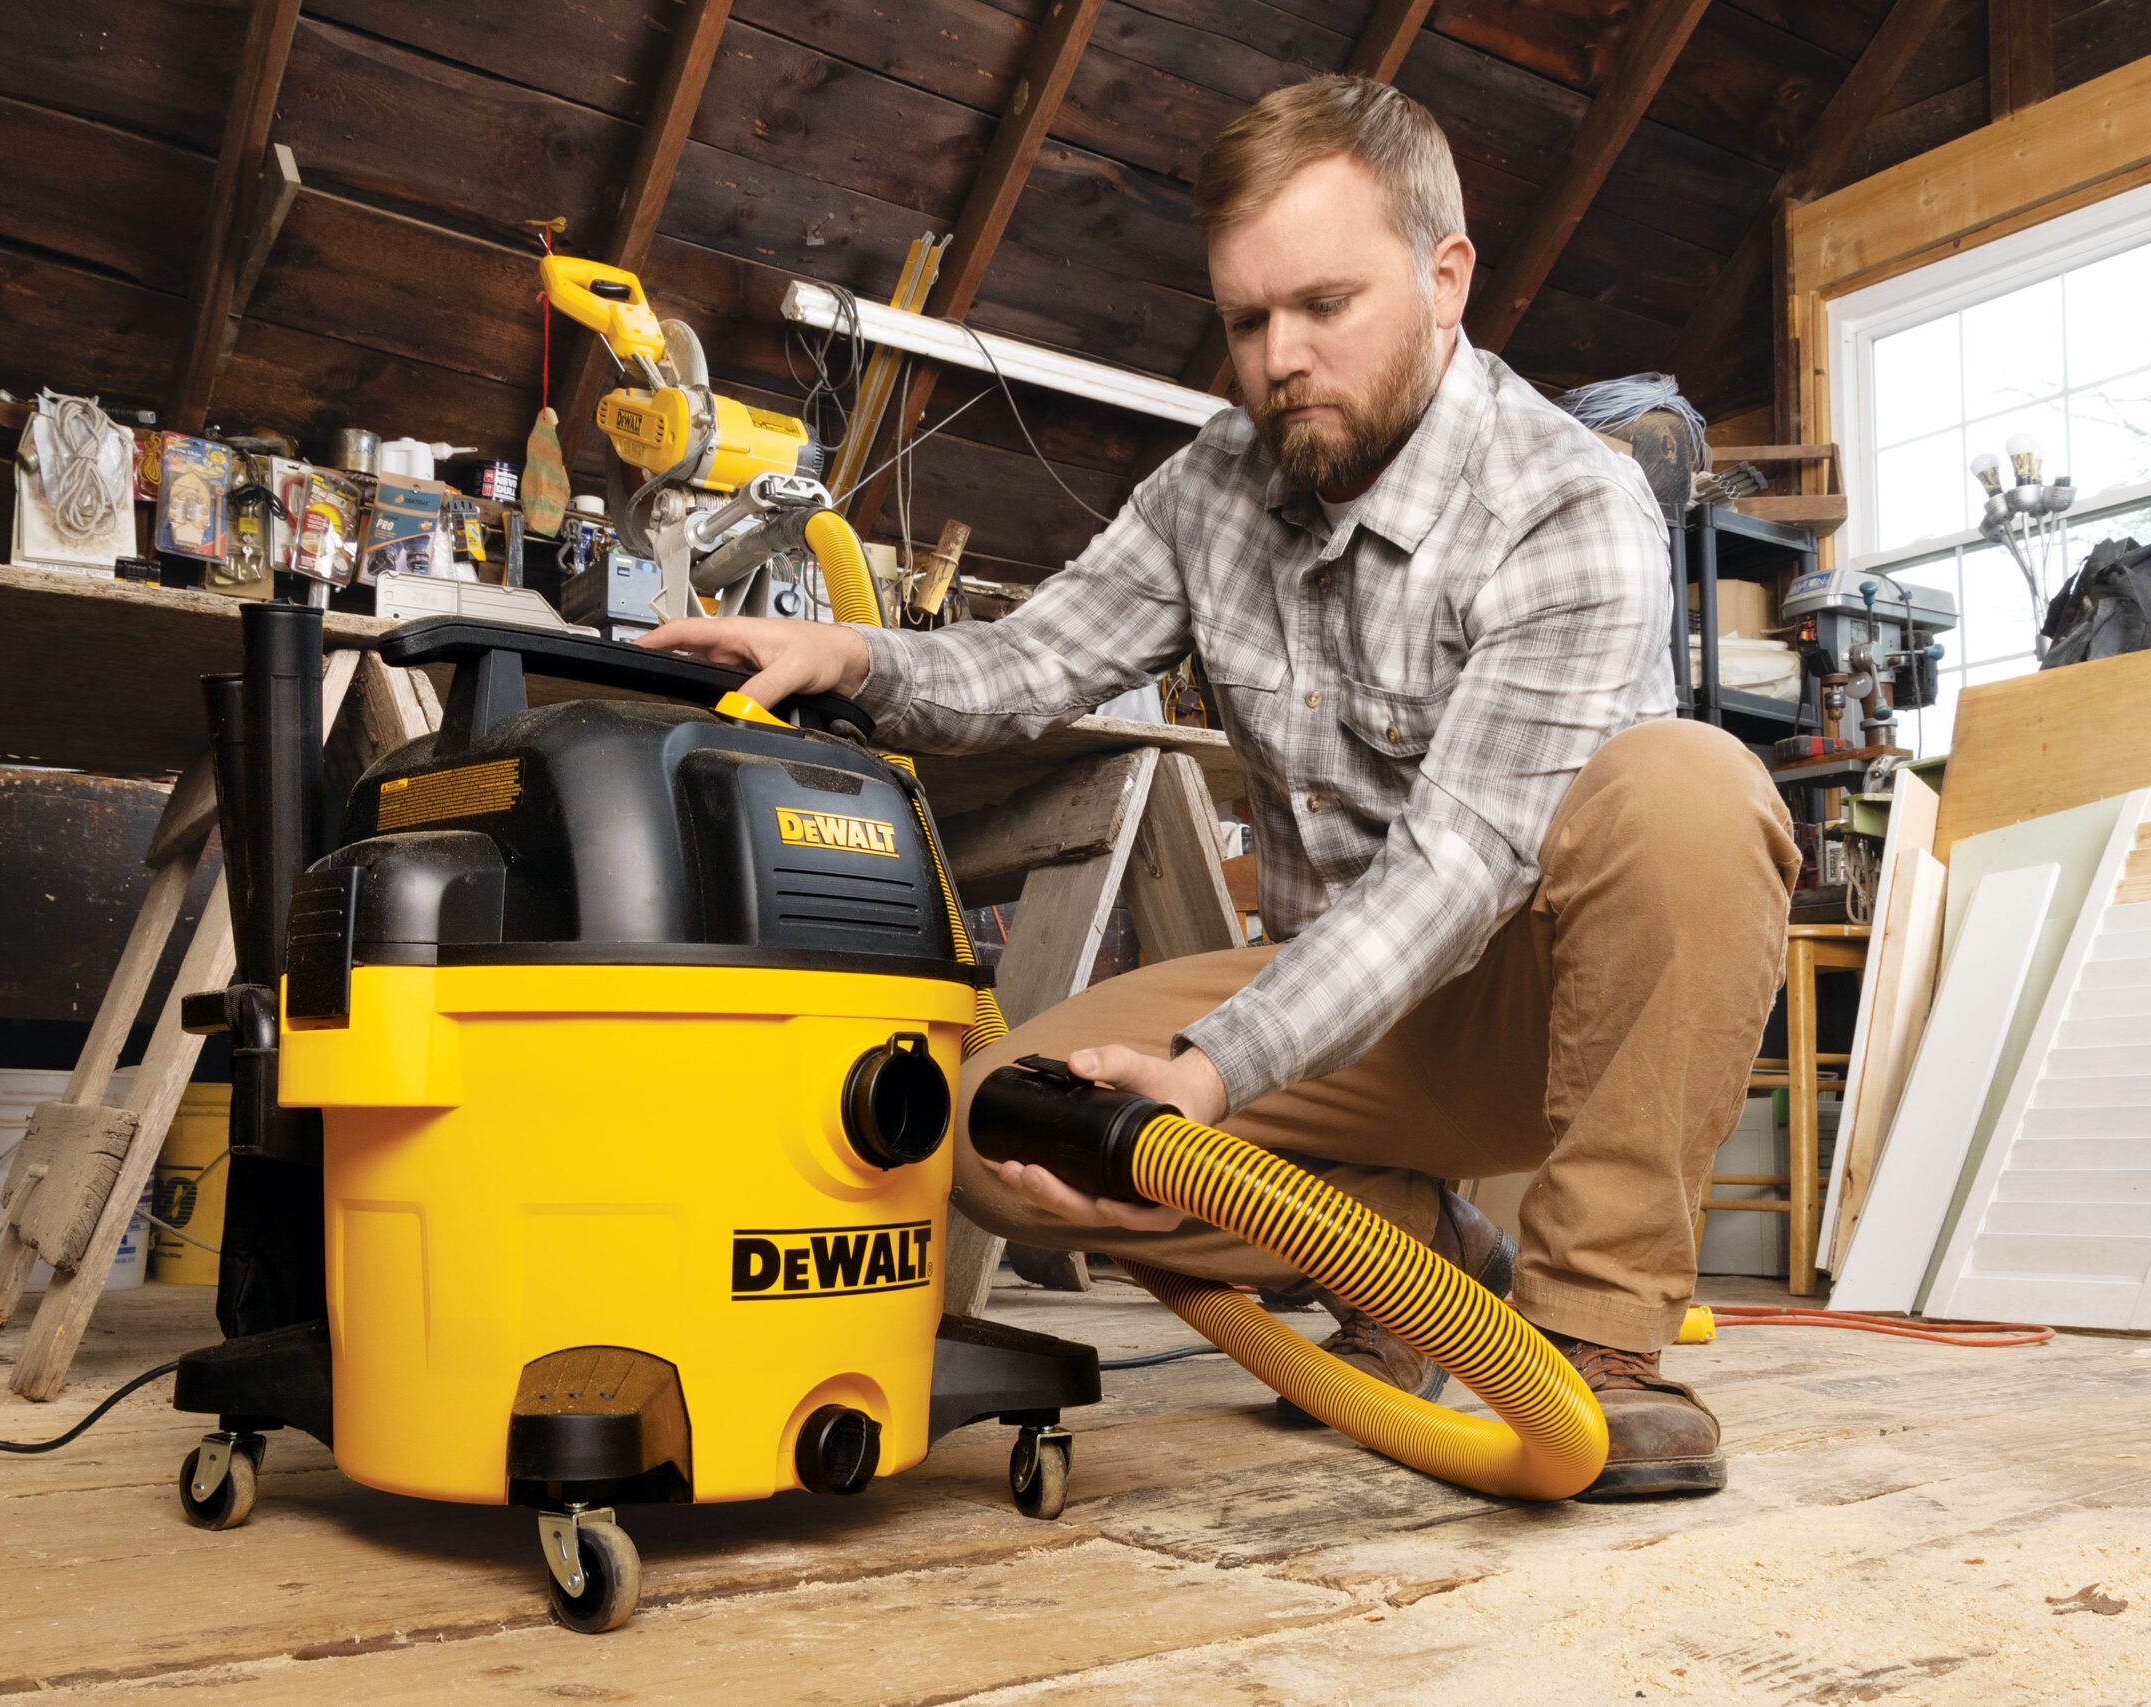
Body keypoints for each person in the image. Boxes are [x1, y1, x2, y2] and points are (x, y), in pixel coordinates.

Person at [641, 74, 1797, 1499]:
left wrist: (1206, 1074)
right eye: (1247, 320)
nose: (1279, 359)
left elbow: (1456, 872)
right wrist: (847, 652)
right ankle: (1420, 1253)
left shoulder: (1563, 500)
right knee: (1002, 1128)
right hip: (1339, 1014)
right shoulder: (1216, 486)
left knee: (1690, 787)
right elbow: (1033, 663)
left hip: (1531, 1009)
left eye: (1324, 305)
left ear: (1445, 281)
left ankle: (1597, 1338)